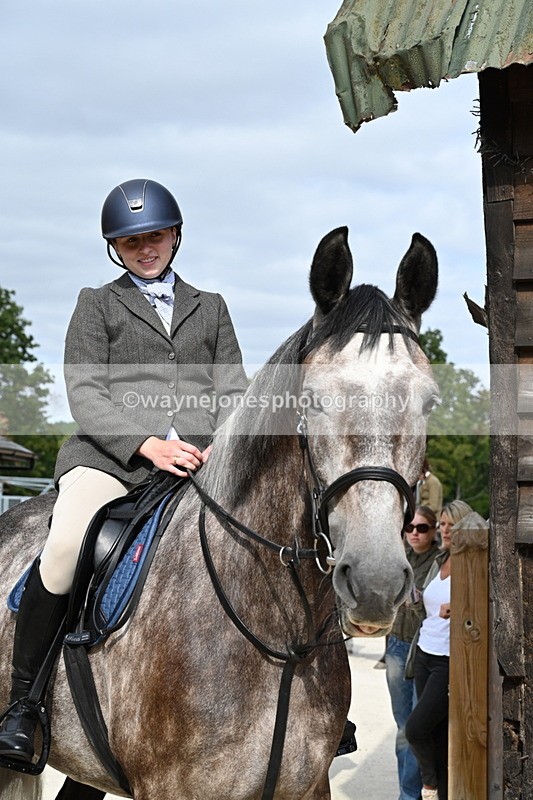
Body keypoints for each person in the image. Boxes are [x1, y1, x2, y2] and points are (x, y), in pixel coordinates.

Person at [0, 178, 248, 763]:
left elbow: (233, 390)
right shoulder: (97, 303)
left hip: (200, 462)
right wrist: (147, 445)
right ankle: (23, 705)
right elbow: (85, 393)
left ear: (175, 235)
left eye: (154, 236)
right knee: (66, 546)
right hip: (111, 461)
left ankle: (312, 693)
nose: (145, 248)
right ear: (116, 247)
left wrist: (222, 446)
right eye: (131, 240)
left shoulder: (210, 307)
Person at [405, 499, 474, 800]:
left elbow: (483, 604)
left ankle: (429, 787)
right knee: (436, 734)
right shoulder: (441, 560)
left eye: (451, 525)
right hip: (424, 653)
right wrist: (415, 599)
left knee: (415, 729)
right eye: (443, 524)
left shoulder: (473, 564)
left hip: (447, 661)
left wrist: (459, 605)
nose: (445, 530)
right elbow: (430, 609)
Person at [385, 506, 441, 800]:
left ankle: (410, 795)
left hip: (424, 650)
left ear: (434, 530)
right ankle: (407, 792)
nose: (415, 533)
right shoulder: (398, 559)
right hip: (396, 646)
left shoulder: (441, 562)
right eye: (410, 528)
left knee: (417, 730)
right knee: (402, 728)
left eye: (422, 528)